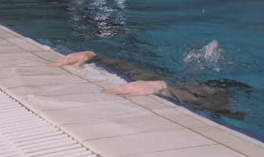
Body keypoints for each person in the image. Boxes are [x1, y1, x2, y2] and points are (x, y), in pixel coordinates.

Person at [49, 51, 250, 119]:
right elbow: (129, 68)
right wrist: (93, 55)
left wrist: (163, 88)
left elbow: (217, 107)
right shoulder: (154, 77)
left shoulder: (222, 100)